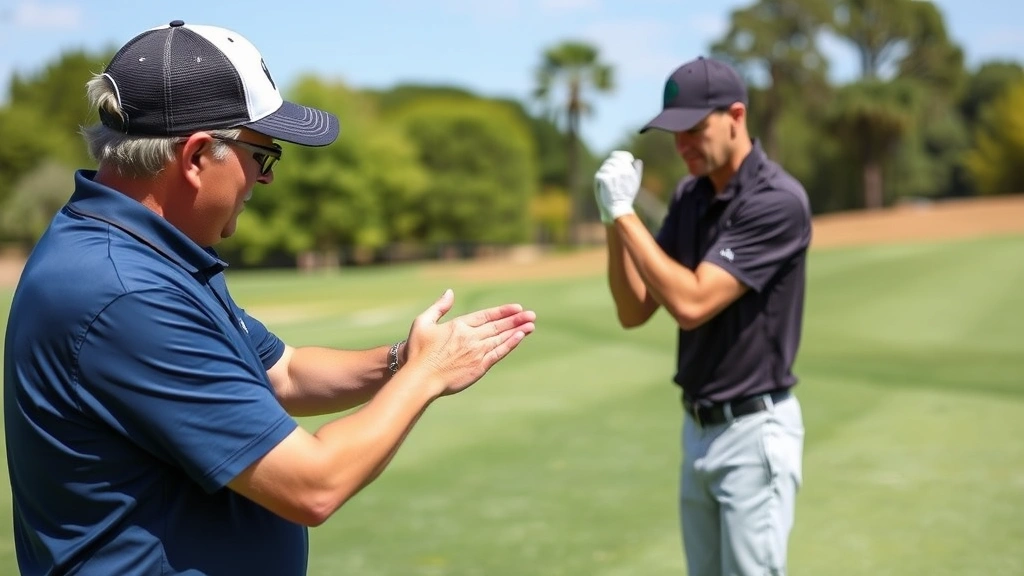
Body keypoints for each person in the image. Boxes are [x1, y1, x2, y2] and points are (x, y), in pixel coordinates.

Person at [3, 21, 536, 576]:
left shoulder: (144, 251)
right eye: (263, 155)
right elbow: (314, 485)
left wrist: (404, 357)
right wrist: (425, 377)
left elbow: (284, 373)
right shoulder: (125, 291)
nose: (265, 180)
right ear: (195, 157)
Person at [593, 56, 811, 576]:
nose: (683, 145)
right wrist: (611, 221)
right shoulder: (690, 195)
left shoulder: (778, 201)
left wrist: (626, 213)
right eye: (675, 133)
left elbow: (690, 304)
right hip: (698, 428)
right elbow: (634, 309)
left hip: (754, 432)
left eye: (694, 129)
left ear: (736, 115)